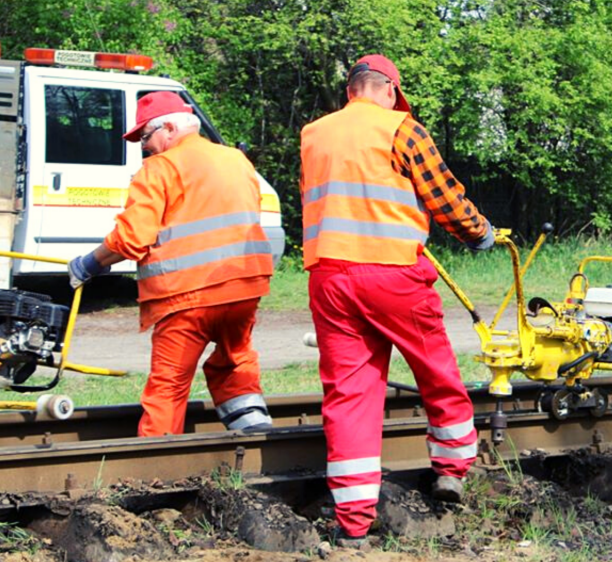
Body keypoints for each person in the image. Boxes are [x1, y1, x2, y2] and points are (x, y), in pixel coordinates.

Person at [300, 54, 494, 545]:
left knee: (349, 396)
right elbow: (443, 196)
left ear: (351, 91)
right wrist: (478, 233)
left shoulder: (314, 134)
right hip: (392, 274)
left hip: (328, 276)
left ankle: (353, 523)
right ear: (389, 90)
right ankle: (451, 468)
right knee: (434, 367)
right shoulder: (402, 128)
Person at [68, 91, 275, 436]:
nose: (145, 147)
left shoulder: (161, 168)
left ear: (168, 128)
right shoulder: (236, 160)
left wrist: (89, 264)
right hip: (243, 289)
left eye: (146, 138)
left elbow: (132, 238)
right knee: (234, 363)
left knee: (169, 385)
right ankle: (257, 441)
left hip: (186, 297)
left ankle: (158, 469)